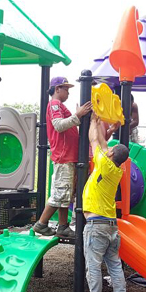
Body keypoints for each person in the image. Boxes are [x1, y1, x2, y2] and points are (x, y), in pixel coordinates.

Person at [79, 113, 131, 292]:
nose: (106, 149)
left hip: (96, 225)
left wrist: (93, 123)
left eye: (109, 149)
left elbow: (94, 141)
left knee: (93, 266)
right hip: (111, 225)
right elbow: (102, 143)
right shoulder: (117, 169)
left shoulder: (103, 163)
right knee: (115, 266)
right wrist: (102, 127)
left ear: (110, 155)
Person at [32, 77, 92, 239]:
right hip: (63, 155)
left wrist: (79, 116)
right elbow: (59, 125)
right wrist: (77, 115)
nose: (68, 92)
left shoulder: (60, 105)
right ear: (57, 89)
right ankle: (42, 224)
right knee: (60, 193)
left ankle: (63, 226)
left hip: (67, 155)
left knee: (66, 193)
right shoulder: (54, 104)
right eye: (66, 89)